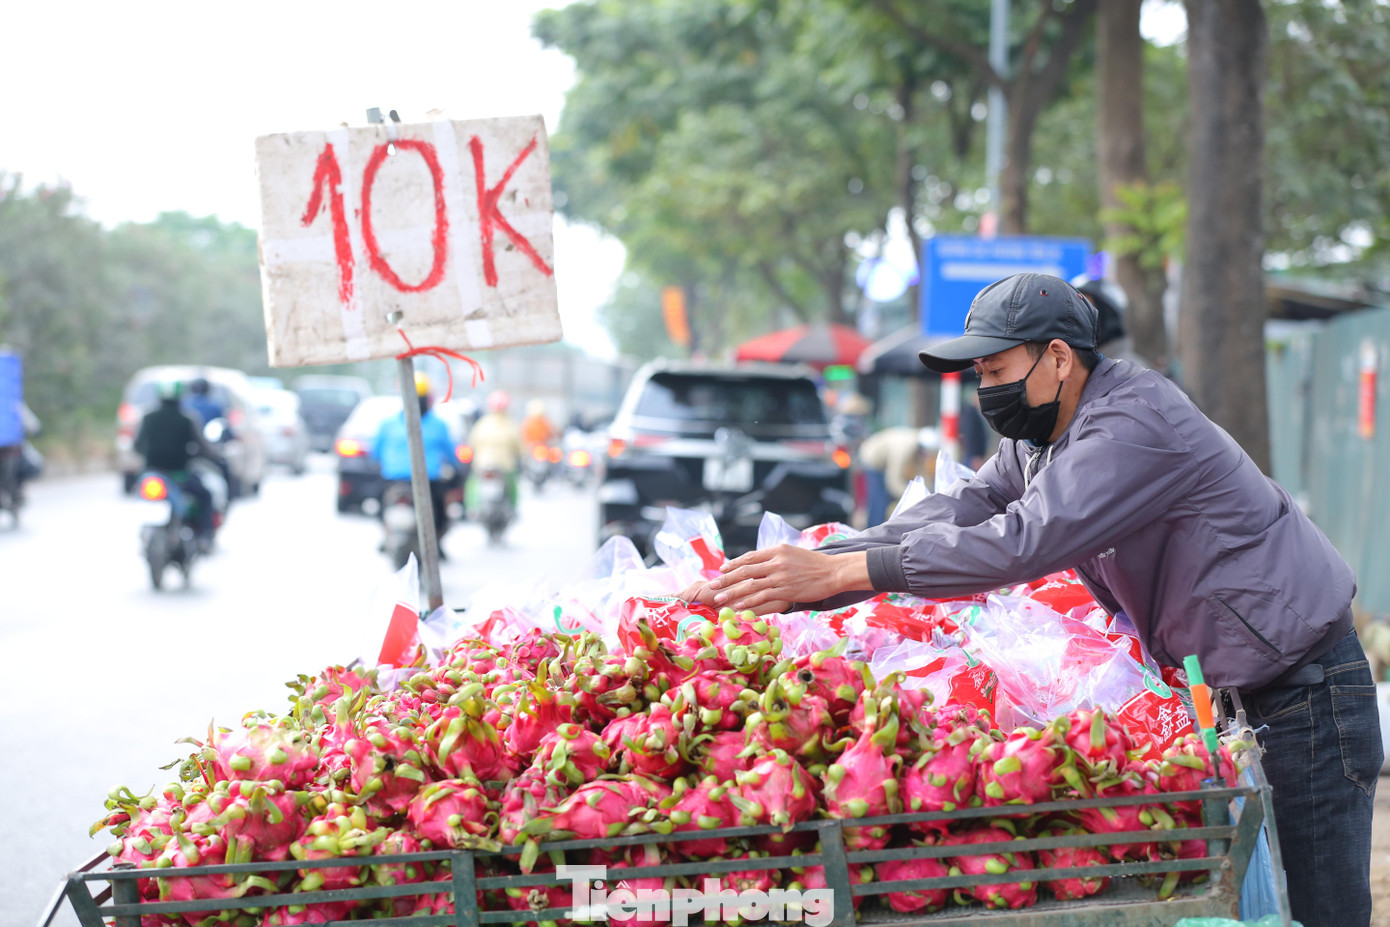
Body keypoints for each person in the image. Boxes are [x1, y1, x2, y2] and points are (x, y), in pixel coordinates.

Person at [683, 272, 1379, 927]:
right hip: (1239, 692)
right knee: (1265, 902)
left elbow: (1020, 542)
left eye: (994, 370)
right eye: (978, 374)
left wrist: (844, 575)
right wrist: (808, 566)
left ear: (1057, 358)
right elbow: (962, 507)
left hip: (1304, 696)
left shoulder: (1129, 425)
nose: (985, 388)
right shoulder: (1043, 435)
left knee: (1317, 910)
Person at [371, 373, 456, 549]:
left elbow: (375, 453)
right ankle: (435, 545)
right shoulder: (438, 425)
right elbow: (451, 455)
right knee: (438, 514)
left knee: (379, 504)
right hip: (427, 482)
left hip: (393, 479)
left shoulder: (388, 424)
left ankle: (386, 535)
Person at [133, 380, 221, 548]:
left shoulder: (148, 418)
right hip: (180, 475)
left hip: (153, 473)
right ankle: (205, 536)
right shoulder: (188, 419)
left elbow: (137, 446)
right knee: (205, 496)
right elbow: (203, 447)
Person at [857, 426, 937, 528]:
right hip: (872, 459)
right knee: (879, 501)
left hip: (883, 460)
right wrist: (911, 496)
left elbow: (921, 473)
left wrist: (928, 492)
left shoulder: (916, 447)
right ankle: (873, 530)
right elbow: (893, 482)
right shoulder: (903, 449)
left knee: (886, 499)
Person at [468, 390, 525, 506]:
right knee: (512, 485)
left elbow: (471, 444)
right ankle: (513, 507)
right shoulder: (511, 424)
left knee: (472, 482)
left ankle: (472, 507)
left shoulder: (482, 423)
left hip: (482, 465)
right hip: (504, 466)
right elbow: (519, 447)